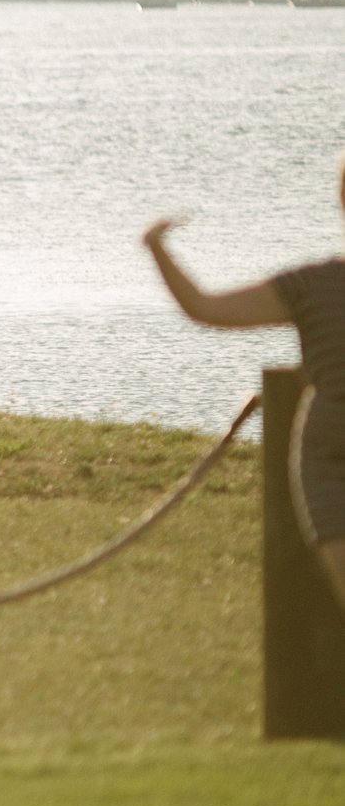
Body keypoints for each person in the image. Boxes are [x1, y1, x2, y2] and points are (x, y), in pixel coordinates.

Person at [144, 151, 345, 601]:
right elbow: (208, 309)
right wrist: (158, 249)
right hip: (333, 465)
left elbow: (206, 308)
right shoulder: (310, 286)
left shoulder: (311, 285)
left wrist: (156, 247)